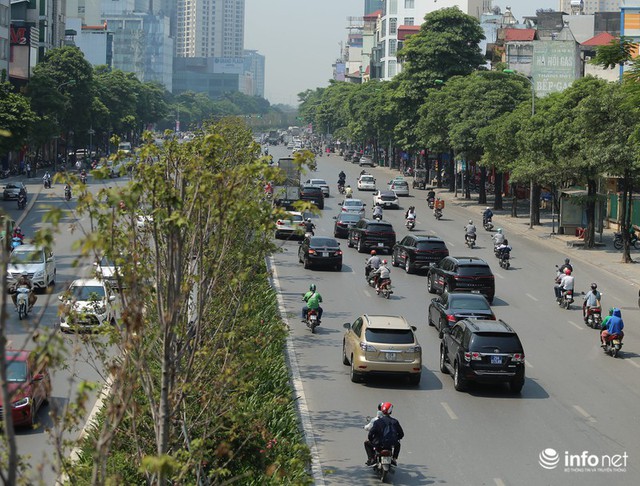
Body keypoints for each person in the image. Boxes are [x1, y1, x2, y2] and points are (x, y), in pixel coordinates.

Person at [364, 402, 404, 466]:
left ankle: (371, 459)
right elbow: (401, 434)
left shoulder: (377, 422)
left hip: (379, 444)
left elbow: (370, 434)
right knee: (398, 444)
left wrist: (372, 440)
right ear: (390, 411)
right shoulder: (395, 421)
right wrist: (396, 438)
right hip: (391, 444)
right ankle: (394, 459)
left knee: (366, 443)